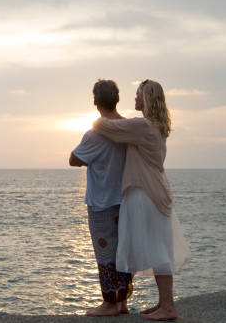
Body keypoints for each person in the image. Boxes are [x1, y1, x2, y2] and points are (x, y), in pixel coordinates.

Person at [93, 79, 190, 321]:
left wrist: (99, 118)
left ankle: (168, 307)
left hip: (145, 192)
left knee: (158, 250)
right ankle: (164, 303)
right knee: (160, 247)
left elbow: (105, 127)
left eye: (137, 95)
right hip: (155, 189)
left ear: (146, 98)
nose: (134, 99)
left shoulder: (143, 126)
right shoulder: (155, 126)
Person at [69, 79, 133, 316]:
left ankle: (109, 303)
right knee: (124, 249)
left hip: (102, 202)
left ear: (95, 102)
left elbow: (74, 159)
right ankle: (122, 301)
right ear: (117, 99)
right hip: (127, 198)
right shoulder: (129, 128)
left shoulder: (94, 134)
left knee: (105, 252)